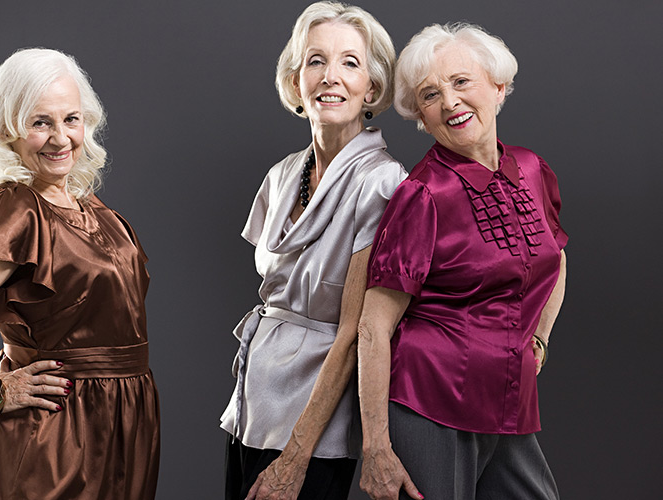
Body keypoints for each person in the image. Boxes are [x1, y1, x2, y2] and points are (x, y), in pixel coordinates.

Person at [0, 48, 159, 500]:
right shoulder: (18, 207)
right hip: (59, 425)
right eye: (40, 122)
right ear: (9, 131)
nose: (60, 138)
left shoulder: (93, 208)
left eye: (71, 119)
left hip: (124, 414)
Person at [357, 23, 567, 500]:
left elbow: (556, 258)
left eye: (461, 82)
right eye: (430, 95)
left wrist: (538, 336)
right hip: (429, 400)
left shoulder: (532, 169)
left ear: (498, 88)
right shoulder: (422, 194)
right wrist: (376, 449)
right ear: (422, 117)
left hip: (509, 398)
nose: (449, 102)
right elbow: (373, 326)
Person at [220, 3, 407, 499]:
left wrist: (296, 457)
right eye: (315, 60)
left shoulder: (383, 182)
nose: (331, 76)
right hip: (251, 405)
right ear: (296, 80)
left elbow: (354, 331)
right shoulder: (281, 175)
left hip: (316, 427)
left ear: (372, 86)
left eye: (350, 62)